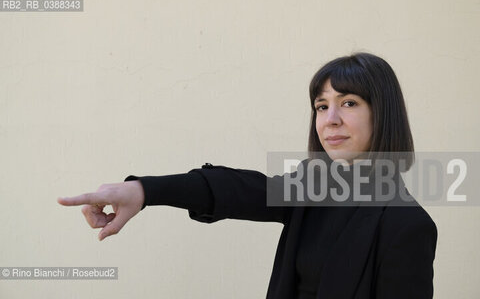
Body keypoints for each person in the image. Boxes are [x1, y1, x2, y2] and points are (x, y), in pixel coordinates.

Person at [58, 52, 438, 298]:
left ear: (382, 112)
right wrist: (143, 191)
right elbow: (237, 189)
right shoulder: (314, 186)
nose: (331, 119)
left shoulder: (407, 224)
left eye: (349, 103)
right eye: (322, 106)